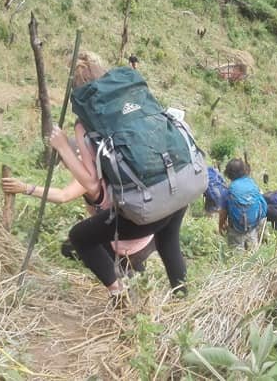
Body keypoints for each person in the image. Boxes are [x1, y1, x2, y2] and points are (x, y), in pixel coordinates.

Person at [50, 51, 191, 300]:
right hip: (179, 186)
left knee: (79, 238)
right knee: (170, 244)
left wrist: (62, 146)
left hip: (147, 207)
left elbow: (92, 186)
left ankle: (120, 297)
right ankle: (185, 303)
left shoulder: (87, 123)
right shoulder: (136, 100)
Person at [0, 171, 156, 276]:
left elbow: (63, 195)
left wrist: (26, 188)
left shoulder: (89, 174)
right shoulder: (108, 168)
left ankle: (125, 269)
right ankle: (131, 266)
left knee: (80, 243)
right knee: (69, 248)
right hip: (149, 236)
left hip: (129, 242)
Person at [218, 158, 267, 249]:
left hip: (236, 228)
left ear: (228, 174)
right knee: (253, 254)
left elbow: (223, 213)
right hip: (252, 226)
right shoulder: (252, 184)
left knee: (236, 255)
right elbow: (262, 205)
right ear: (244, 171)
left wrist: (221, 226)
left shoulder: (229, 191)